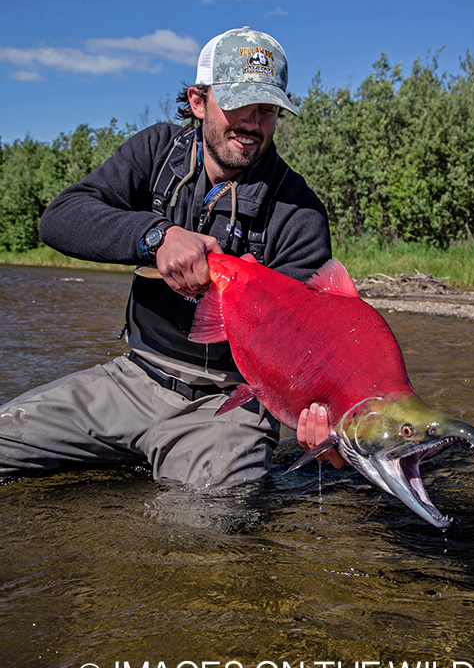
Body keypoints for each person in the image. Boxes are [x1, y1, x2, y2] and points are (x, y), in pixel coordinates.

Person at [0, 26, 342, 487]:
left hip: (226, 406)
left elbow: (309, 347)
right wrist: (155, 236)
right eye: (239, 102)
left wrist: (326, 415)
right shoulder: (158, 151)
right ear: (198, 101)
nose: (252, 122)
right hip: (131, 378)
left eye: (267, 109)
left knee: (207, 532)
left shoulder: (299, 213)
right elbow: (61, 219)